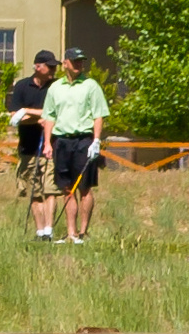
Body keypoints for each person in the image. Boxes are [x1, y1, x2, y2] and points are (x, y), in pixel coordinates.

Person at [41, 49, 112, 242]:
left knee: (85, 187)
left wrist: (96, 140)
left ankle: (83, 231)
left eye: (81, 61)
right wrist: (47, 143)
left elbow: (98, 115)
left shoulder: (91, 86)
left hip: (83, 140)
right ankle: (71, 233)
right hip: (62, 141)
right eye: (75, 61)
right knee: (66, 188)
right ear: (65, 63)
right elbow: (49, 116)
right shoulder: (56, 87)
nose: (79, 64)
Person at [9, 51, 58, 239]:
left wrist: (29, 112)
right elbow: (15, 117)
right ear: (38, 67)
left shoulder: (55, 87)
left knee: (50, 189)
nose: (54, 70)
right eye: (50, 66)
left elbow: (54, 113)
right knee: (34, 190)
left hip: (50, 147)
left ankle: (49, 230)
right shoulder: (22, 86)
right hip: (27, 147)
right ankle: (39, 231)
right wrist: (39, 118)